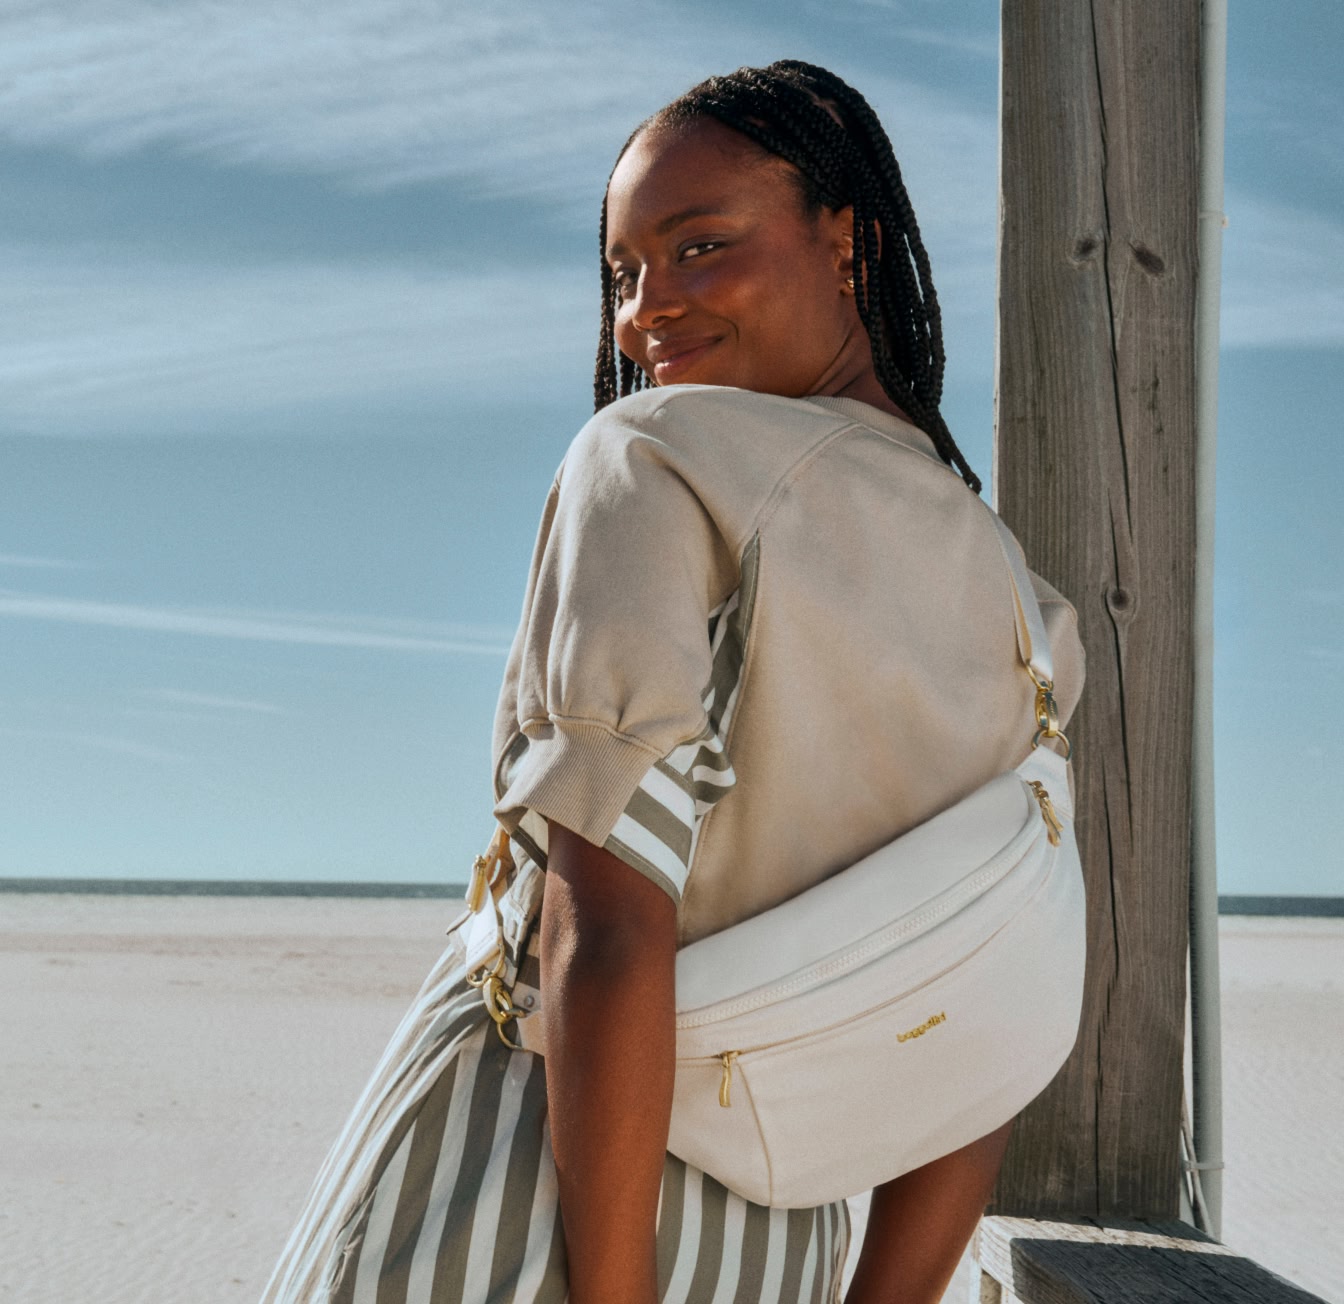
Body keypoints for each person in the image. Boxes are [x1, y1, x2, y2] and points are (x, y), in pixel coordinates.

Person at [263, 59, 1085, 1304]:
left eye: (700, 246)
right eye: (623, 272)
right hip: (782, 1243)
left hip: (519, 1208)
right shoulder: (1016, 598)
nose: (646, 311)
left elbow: (603, 930)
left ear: (848, 244)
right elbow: (979, 1019)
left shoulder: (651, 459)